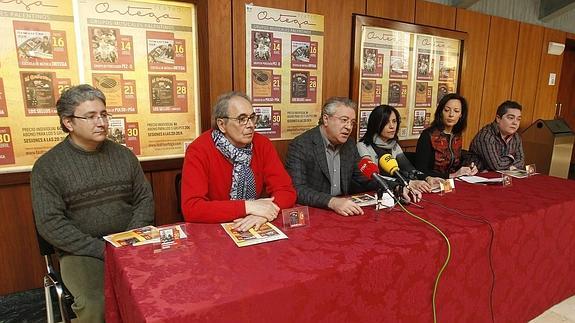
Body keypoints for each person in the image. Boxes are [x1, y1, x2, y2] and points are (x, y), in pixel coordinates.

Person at [31, 84, 154, 322]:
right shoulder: (47, 166)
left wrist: (130, 238)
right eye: (91, 116)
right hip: (82, 252)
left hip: (130, 243)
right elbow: (50, 223)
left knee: (164, 286)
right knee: (96, 304)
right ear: (69, 123)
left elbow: (144, 199)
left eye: (104, 114)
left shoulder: (124, 155)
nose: (102, 122)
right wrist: (102, 250)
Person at [285, 97, 419, 217]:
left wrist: (396, 186)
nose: (349, 127)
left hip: (344, 210)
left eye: (352, 122)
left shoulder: (349, 144)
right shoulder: (301, 145)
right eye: (344, 120)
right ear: (326, 119)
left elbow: (365, 177)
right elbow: (298, 189)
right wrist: (332, 202)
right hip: (316, 212)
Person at [181, 92, 296, 232]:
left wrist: (263, 214)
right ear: (222, 124)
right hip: (215, 229)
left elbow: (286, 191)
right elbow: (192, 208)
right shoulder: (199, 150)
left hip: (254, 224)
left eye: (252, 118)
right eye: (242, 119)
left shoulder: (262, 144)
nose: (251, 125)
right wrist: (249, 206)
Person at [357, 104, 442, 192]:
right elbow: (373, 177)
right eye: (386, 122)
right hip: (374, 191)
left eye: (394, 121)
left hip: (397, 189)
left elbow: (409, 169)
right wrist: (406, 182)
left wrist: (427, 178)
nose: (392, 126)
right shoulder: (363, 146)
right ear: (375, 124)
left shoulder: (394, 145)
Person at [415, 93, 478, 179]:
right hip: (432, 184)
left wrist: (469, 167)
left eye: (456, 111)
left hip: (454, 183)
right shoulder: (428, 135)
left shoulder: (457, 135)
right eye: (447, 110)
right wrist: (452, 175)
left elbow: (456, 162)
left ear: (461, 115)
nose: (451, 115)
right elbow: (420, 171)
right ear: (440, 112)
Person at [467, 100, 524, 171]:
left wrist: (508, 166)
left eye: (518, 119)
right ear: (498, 119)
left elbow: (521, 162)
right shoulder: (486, 136)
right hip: (478, 176)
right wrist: (511, 158)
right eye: (511, 118)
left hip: (501, 177)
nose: (515, 123)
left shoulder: (516, 137)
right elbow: (497, 166)